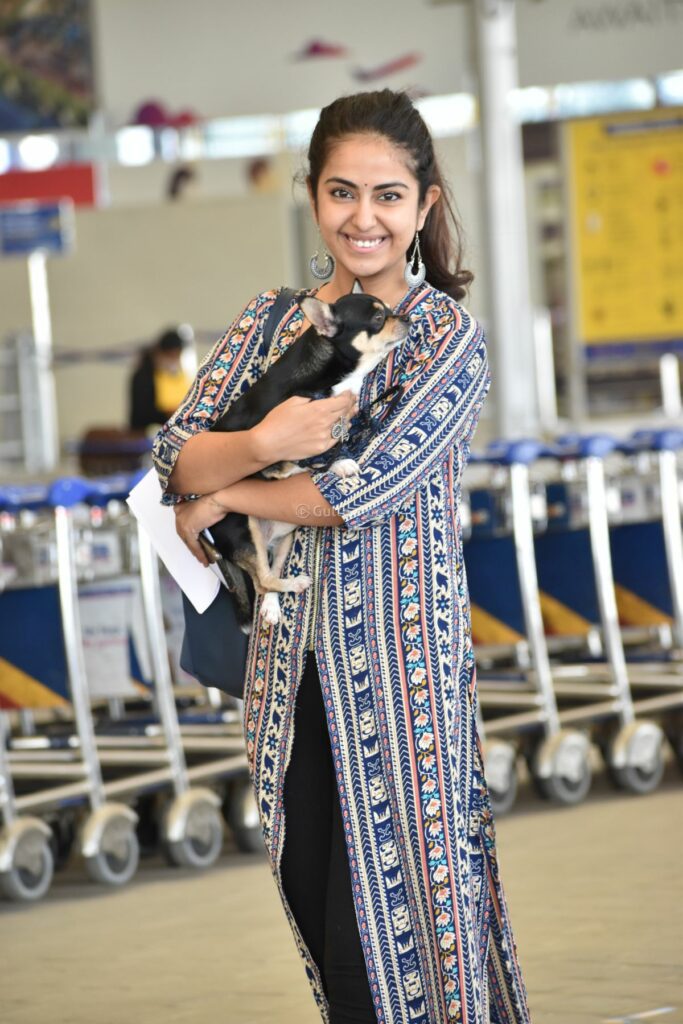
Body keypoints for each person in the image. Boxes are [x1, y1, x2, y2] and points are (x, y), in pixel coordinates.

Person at [151, 89, 531, 1024]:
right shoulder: (271, 320)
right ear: (312, 197)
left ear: (425, 204)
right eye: (342, 191)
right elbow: (174, 456)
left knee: (409, 926)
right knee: (322, 916)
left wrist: (229, 489)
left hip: (403, 680)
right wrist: (259, 439)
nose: (364, 217)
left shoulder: (443, 340)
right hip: (286, 678)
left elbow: (351, 493)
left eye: (388, 195)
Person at [129, 328, 192, 431]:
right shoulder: (144, 376)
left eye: (176, 356)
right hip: (146, 433)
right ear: (160, 353)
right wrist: (168, 414)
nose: (173, 360)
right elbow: (142, 413)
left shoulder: (178, 375)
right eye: (171, 355)